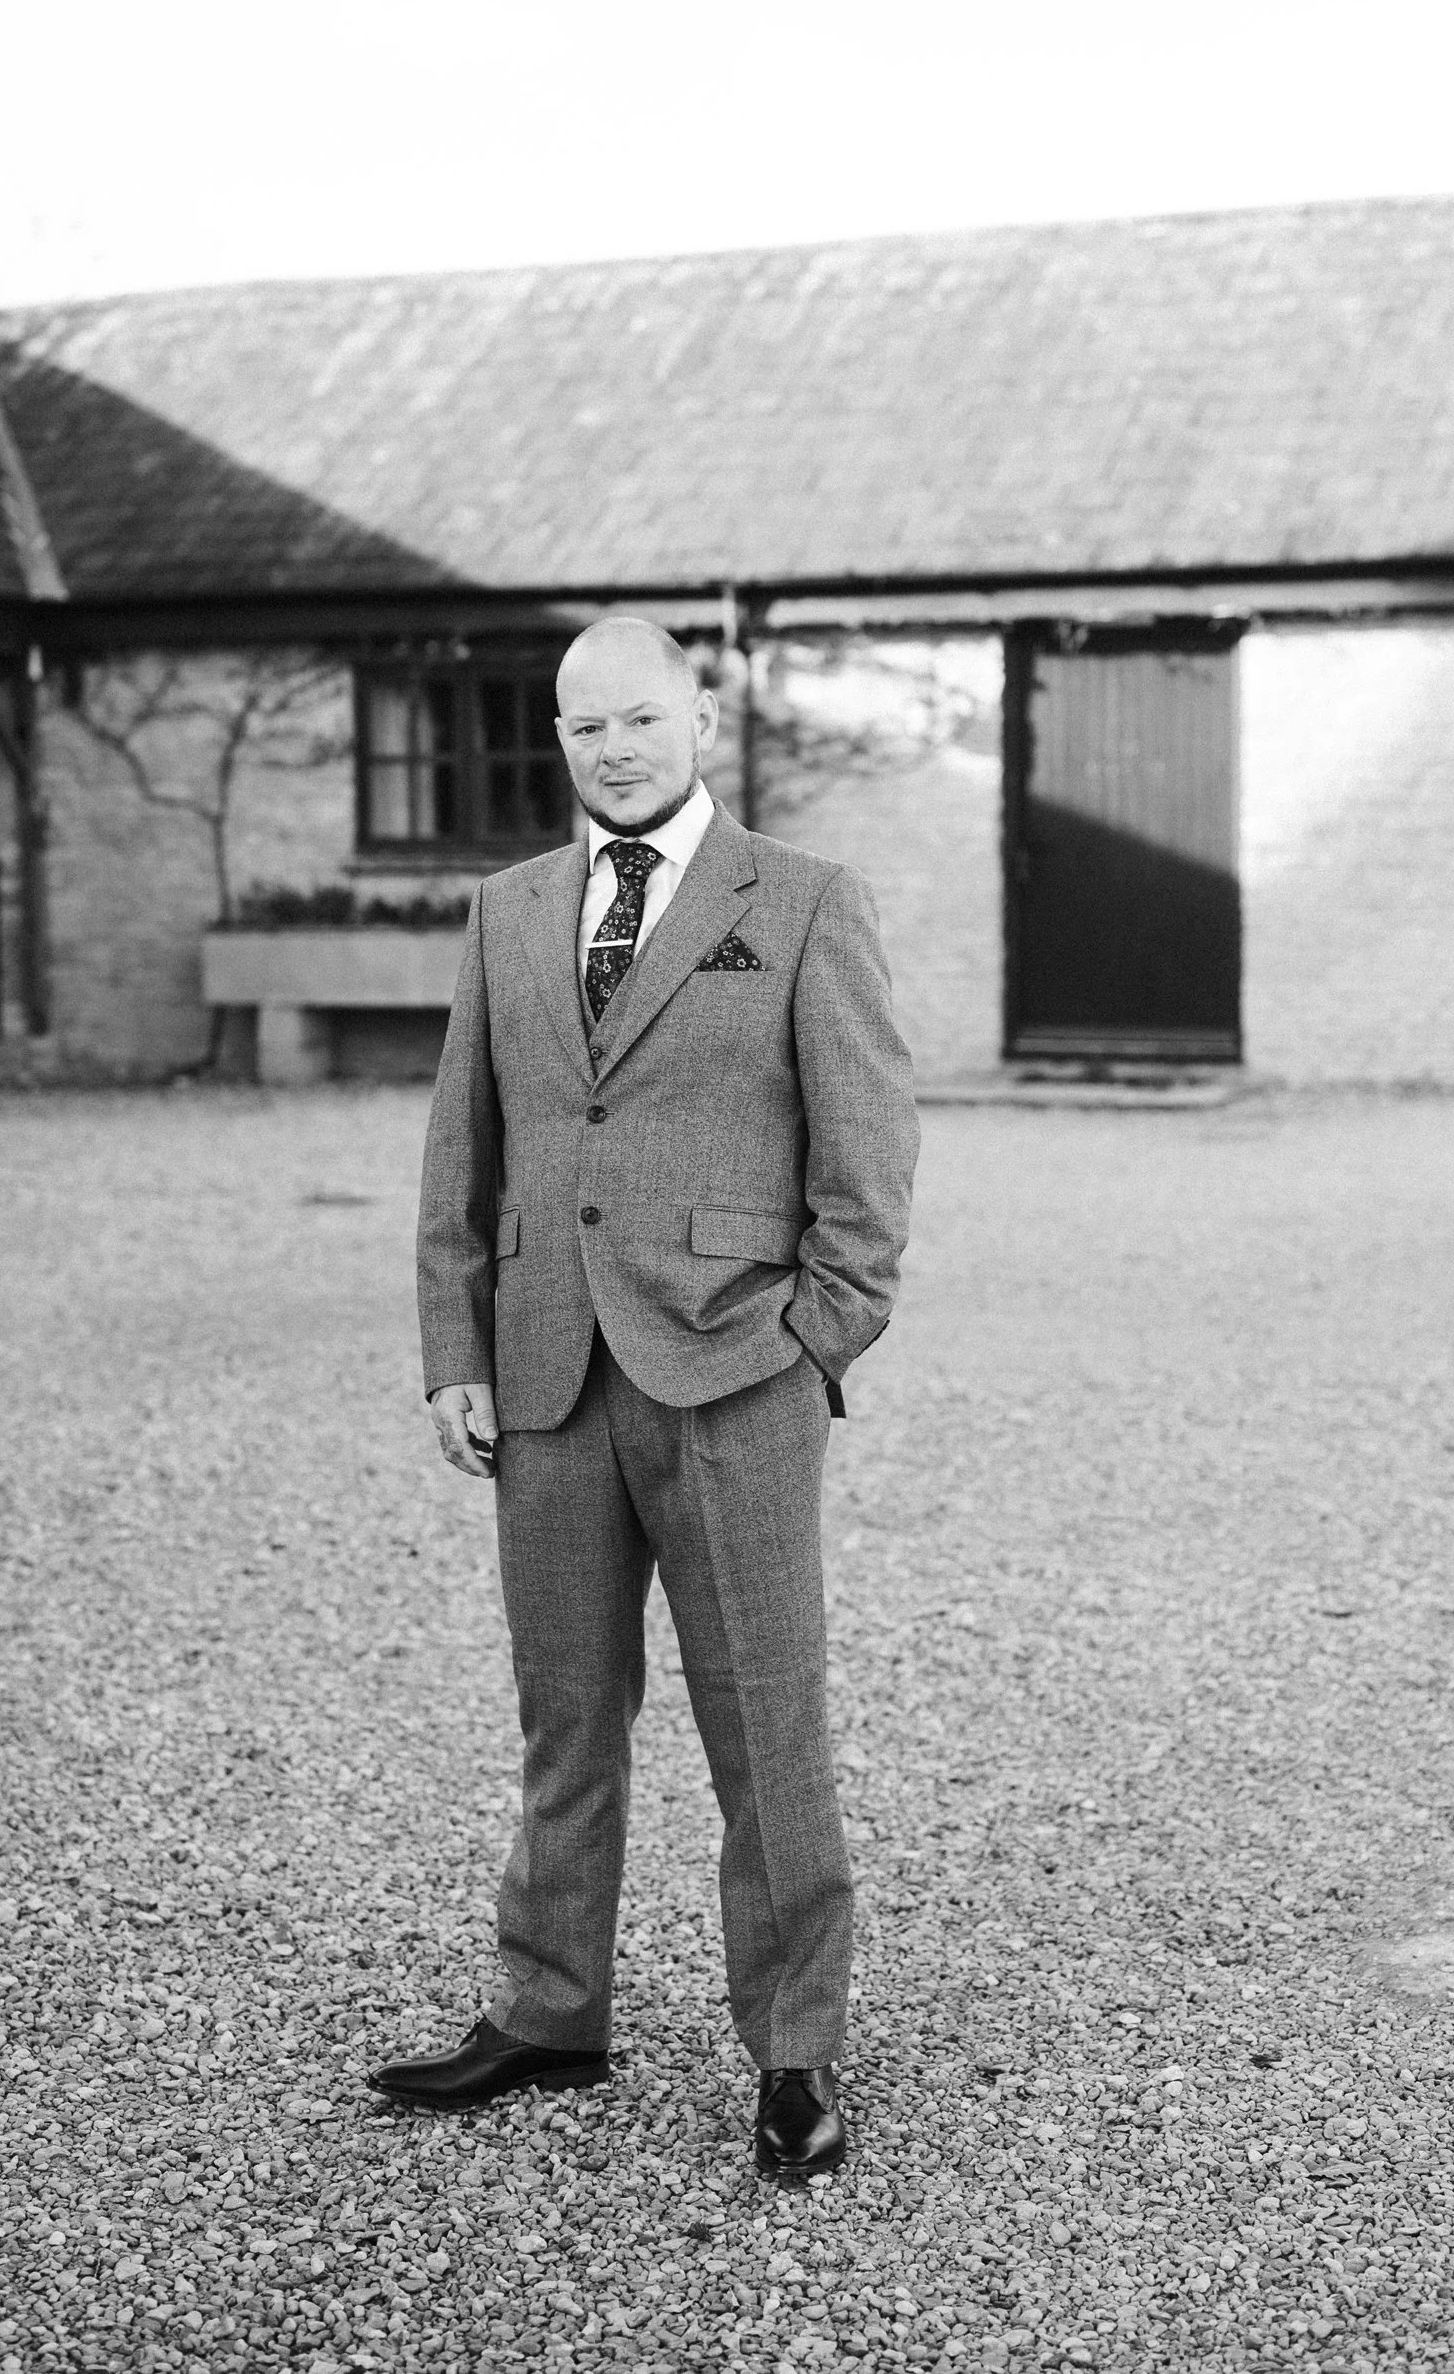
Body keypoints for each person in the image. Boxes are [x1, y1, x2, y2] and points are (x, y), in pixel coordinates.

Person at [370, 616, 919, 2178]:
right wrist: (454, 1351)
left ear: (697, 713)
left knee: (765, 1727)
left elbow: (867, 1153)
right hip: (545, 1372)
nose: (610, 748)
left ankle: (797, 2051)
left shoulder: (803, 903)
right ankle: (550, 2012)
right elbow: (457, 1154)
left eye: (636, 718)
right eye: (579, 725)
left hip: (733, 1370)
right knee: (565, 1721)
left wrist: (819, 1334)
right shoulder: (509, 910)